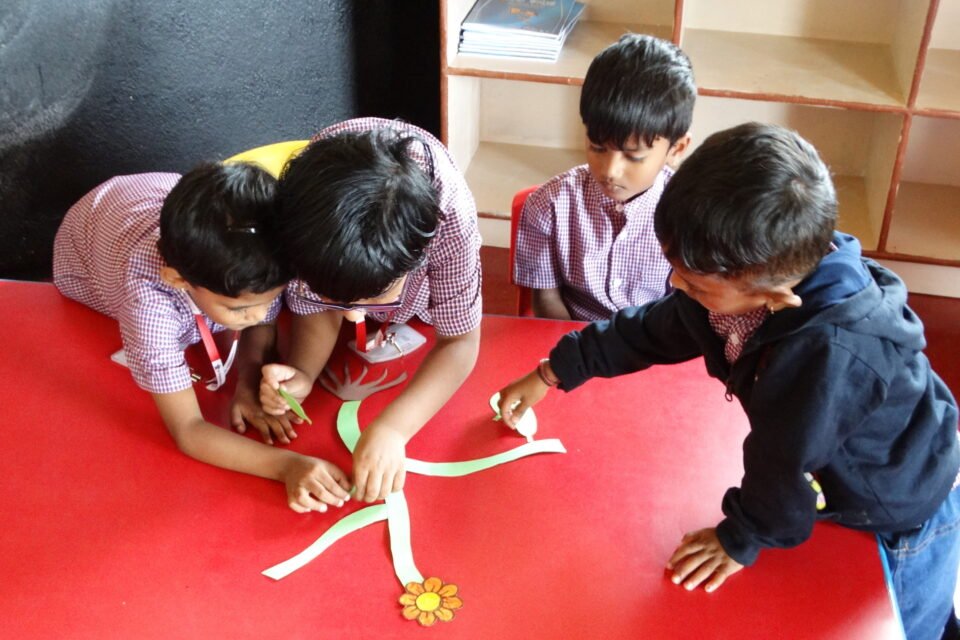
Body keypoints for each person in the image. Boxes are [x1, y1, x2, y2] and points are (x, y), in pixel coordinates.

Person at [497, 123, 960, 640]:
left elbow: (781, 463)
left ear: (774, 298)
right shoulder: (740, 280)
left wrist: (741, 537)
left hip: (901, 504)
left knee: (908, 623)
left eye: (694, 284)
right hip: (829, 461)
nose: (676, 285)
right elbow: (652, 329)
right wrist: (554, 370)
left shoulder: (828, 354)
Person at [52, 163, 352, 514]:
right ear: (178, 280)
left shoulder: (258, 254)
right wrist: (285, 466)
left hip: (150, 192)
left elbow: (259, 317)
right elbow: (188, 430)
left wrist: (248, 378)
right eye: (240, 308)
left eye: (273, 298)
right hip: (85, 250)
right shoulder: (148, 306)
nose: (260, 315)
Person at [258, 117, 482, 505]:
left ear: (419, 258)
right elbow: (317, 306)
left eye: (374, 298)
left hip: (419, 313)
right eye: (335, 299)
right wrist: (304, 373)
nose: (351, 317)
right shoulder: (305, 221)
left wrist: (394, 429)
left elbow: (460, 341)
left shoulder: (451, 220)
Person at [513, 33, 695, 320]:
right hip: (572, 338)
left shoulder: (690, 216)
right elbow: (546, 300)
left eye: (634, 156)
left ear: (677, 149)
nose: (610, 171)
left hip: (655, 341)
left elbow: (686, 311)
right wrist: (580, 347)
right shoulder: (548, 206)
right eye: (597, 147)